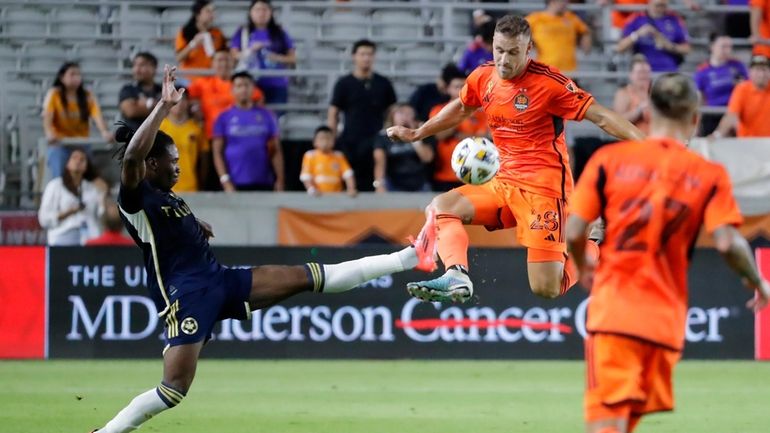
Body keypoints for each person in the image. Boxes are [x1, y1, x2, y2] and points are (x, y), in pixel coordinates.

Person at [90, 65, 424, 433]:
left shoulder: (166, 199)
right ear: (152, 164)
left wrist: (193, 225)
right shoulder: (135, 199)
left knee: (305, 277)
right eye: (173, 162)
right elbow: (134, 157)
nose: (178, 168)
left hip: (220, 282)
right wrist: (164, 108)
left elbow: (170, 229)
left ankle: (405, 257)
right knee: (174, 389)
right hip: (186, 297)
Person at [387, 14, 645, 302]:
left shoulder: (550, 84)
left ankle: (596, 240)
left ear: (528, 49)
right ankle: (456, 275)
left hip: (544, 191)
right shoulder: (483, 77)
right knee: (440, 207)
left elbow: (601, 116)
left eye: (513, 52)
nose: (504, 60)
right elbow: (461, 107)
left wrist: (649, 144)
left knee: (546, 288)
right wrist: (417, 133)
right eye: (499, 50)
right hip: (503, 182)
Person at [565, 72, 770, 433]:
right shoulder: (708, 173)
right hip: (665, 322)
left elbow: (575, 230)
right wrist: (758, 281)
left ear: (650, 113)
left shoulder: (608, 160)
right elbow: (728, 241)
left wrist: (582, 266)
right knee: (625, 421)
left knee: (605, 424)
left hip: (615, 310)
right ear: (694, 118)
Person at [327, 39, 397, 193]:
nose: (366, 58)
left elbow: (392, 110)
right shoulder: (344, 83)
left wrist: (386, 131)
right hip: (350, 139)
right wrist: (332, 137)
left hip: (375, 140)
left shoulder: (383, 83)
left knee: (374, 180)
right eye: (362, 54)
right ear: (354, 56)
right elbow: (333, 112)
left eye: (370, 54)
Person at [212, 71, 283, 192]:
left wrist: (280, 180)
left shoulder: (267, 115)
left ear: (253, 89)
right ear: (232, 90)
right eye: (239, 86)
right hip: (234, 183)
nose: (243, 89)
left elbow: (275, 150)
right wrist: (225, 180)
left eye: (247, 85)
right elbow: (217, 152)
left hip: (263, 181)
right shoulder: (223, 117)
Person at [42, 62, 111, 179]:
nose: (76, 77)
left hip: (82, 144)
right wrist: (49, 134)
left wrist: (104, 132)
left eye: (78, 74)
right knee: (59, 173)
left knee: (89, 177)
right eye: (72, 74)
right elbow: (47, 117)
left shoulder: (88, 95)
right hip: (60, 143)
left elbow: (97, 116)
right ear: (62, 77)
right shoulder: (54, 94)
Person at [428, 67, 488, 192]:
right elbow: (440, 135)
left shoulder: (480, 113)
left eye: (464, 86)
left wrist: (456, 133)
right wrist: (460, 115)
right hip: (445, 175)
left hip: (473, 174)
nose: (461, 90)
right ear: (448, 89)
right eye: (456, 87)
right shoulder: (438, 110)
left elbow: (481, 140)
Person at [188, 49, 264, 142]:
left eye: (227, 60)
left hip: (238, 135)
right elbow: (187, 97)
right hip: (212, 135)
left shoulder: (241, 83)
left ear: (233, 63)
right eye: (220, 60)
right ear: (212, 63)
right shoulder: (202, 83)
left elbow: (258, 97)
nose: (224, 64)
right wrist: (196, 108)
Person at [230, 0, 296, 105]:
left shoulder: (280, 32)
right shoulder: (242, 32)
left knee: (274, 118)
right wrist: (250, 51)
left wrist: (277, 57)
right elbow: (233, 55)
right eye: (257, 10)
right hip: (250, 84)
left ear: (271, 12)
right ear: (250, 13)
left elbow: (292, 58)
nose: (261, 13)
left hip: (277, 84)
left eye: (265, 9)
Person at [38, 147, 105, 246]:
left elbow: (102, 216)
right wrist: (68, 212)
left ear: (86, 167)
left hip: (90, 237)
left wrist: (104, 194)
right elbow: (44, 219)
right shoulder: (55, 185)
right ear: (67, 164)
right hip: (63, 235)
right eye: (74, 158)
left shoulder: (92, 188)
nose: (78, 161)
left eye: (82, 159)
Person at [694, 34, 748, 135]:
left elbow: (748, 88)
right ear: (712, 47)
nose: (727, 50)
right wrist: (697, 122)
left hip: (735, 113)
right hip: (712, 114)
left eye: (729, 47)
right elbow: (699, 98)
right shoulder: (703, 70)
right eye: (723, 46)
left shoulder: (738, 66)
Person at [373, 104, 434, 193]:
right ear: (392, 115)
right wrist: (379, 184)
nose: (405, 117)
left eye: (409, 114)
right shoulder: (383, 137)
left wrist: (414, 134)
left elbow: (427, 158)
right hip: (394, 185)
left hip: (419, 184)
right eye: (401, 113)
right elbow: (380, 163)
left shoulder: (422, 134)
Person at [616, 0, 691, 72]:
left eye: (663, 5)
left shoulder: (674, 19)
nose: (661, 9)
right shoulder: (637, 18)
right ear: (650, 3)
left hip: (668, 70)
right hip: (643, 71)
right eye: (658, 5)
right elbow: (620, 48)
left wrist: (669, 46)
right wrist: (637, 34)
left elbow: (687, 49)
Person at [160, 90, 208, 193]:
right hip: (164, 188)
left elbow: (204, 159)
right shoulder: (159, 128)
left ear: (187, 102)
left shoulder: (196, 129)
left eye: (183, 99)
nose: (179, 103)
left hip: (191, 187)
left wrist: (202, 183)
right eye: (175, 100)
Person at [712, 55, 770, 138]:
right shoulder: (742, 89)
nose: (761, 74)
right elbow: (732, 115)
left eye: (765, 70)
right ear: (750, 72)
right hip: (747, 142)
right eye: (757, 70)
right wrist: (717, 135)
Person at [526, 0, 591, 72]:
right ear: (552, 1)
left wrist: (586, 45)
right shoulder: (536, 18)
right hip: (546, 71)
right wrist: (530, 42)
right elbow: (519, 29)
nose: (566, 3)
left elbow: (585, 31)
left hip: (569, 71)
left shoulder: (571, 17)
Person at [300, 126, 356, 196]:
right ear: (315, 142)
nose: (325, 141)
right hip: (318, 196)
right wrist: (312, 190)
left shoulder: (339, 156)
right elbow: (306, 176)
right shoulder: (310, 156)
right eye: (322, 138)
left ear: (333, 141)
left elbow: (348, 175)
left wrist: (351, 188)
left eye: (328, 138)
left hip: (337, 197)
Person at [175, 0, 227, 72]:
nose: (212, 15)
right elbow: (179, 58)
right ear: (197, 14)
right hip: (190, 76)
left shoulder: (217, 33)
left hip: (211, 77)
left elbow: (224, 55)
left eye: (213, 11)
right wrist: (193, 44)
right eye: (208, 11)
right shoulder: (185, 32)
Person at [119, 52, 162, 130]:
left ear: (153, 68)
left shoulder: (162, 90)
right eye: (135, 65)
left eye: (142, 65)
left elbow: (170, 112)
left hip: (158, 138)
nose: (136, 69)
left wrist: (145, 104)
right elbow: (130, 111)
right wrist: (154, 104)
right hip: (133, 138)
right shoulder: (128, 89)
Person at [613, 55, 652, 135]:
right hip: (631, 142)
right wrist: (639, 110)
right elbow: (616, 122)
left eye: (646, 72)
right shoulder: (624, 93)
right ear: (631, 75)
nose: (643, 75)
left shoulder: (654, 93)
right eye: (640, 72)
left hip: (653, 142)